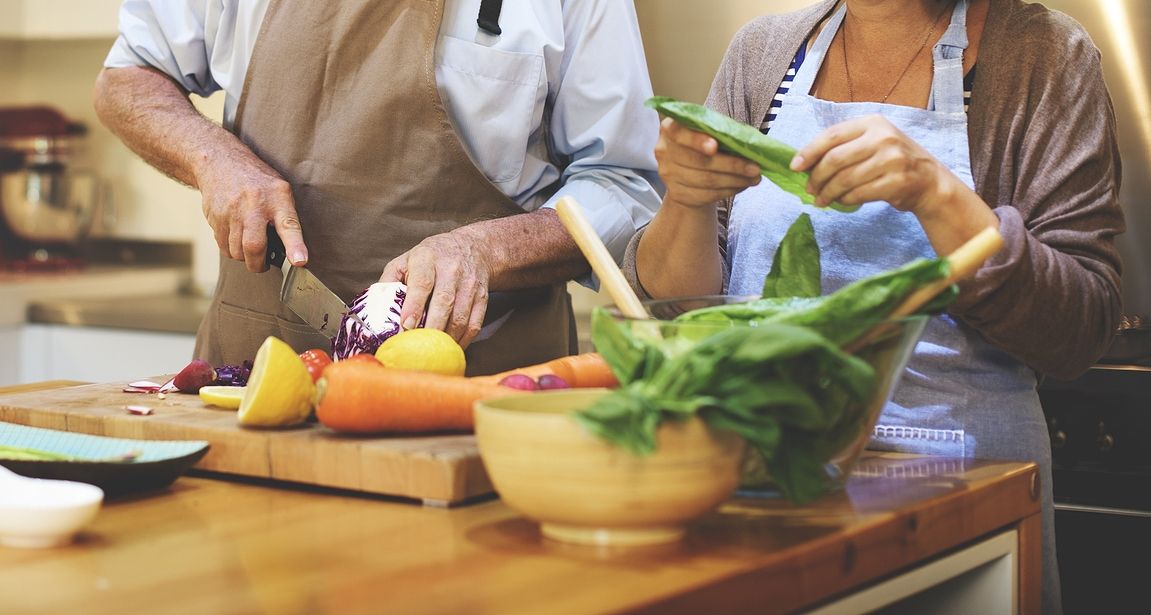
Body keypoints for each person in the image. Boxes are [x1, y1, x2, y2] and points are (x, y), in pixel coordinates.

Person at [625, 0, 1125, 612]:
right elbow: (679, 311)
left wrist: (935, 191)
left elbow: (1080, 330)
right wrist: (687, 200)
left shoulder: (1043, 56)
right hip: (765, 481)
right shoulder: (763, 54)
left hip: (963, 505)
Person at [93, 0, 663, 375]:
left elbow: (625, 185)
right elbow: (128, 79)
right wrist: (214, 159)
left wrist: (489, 250)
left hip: (486, 395)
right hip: (256, 380)